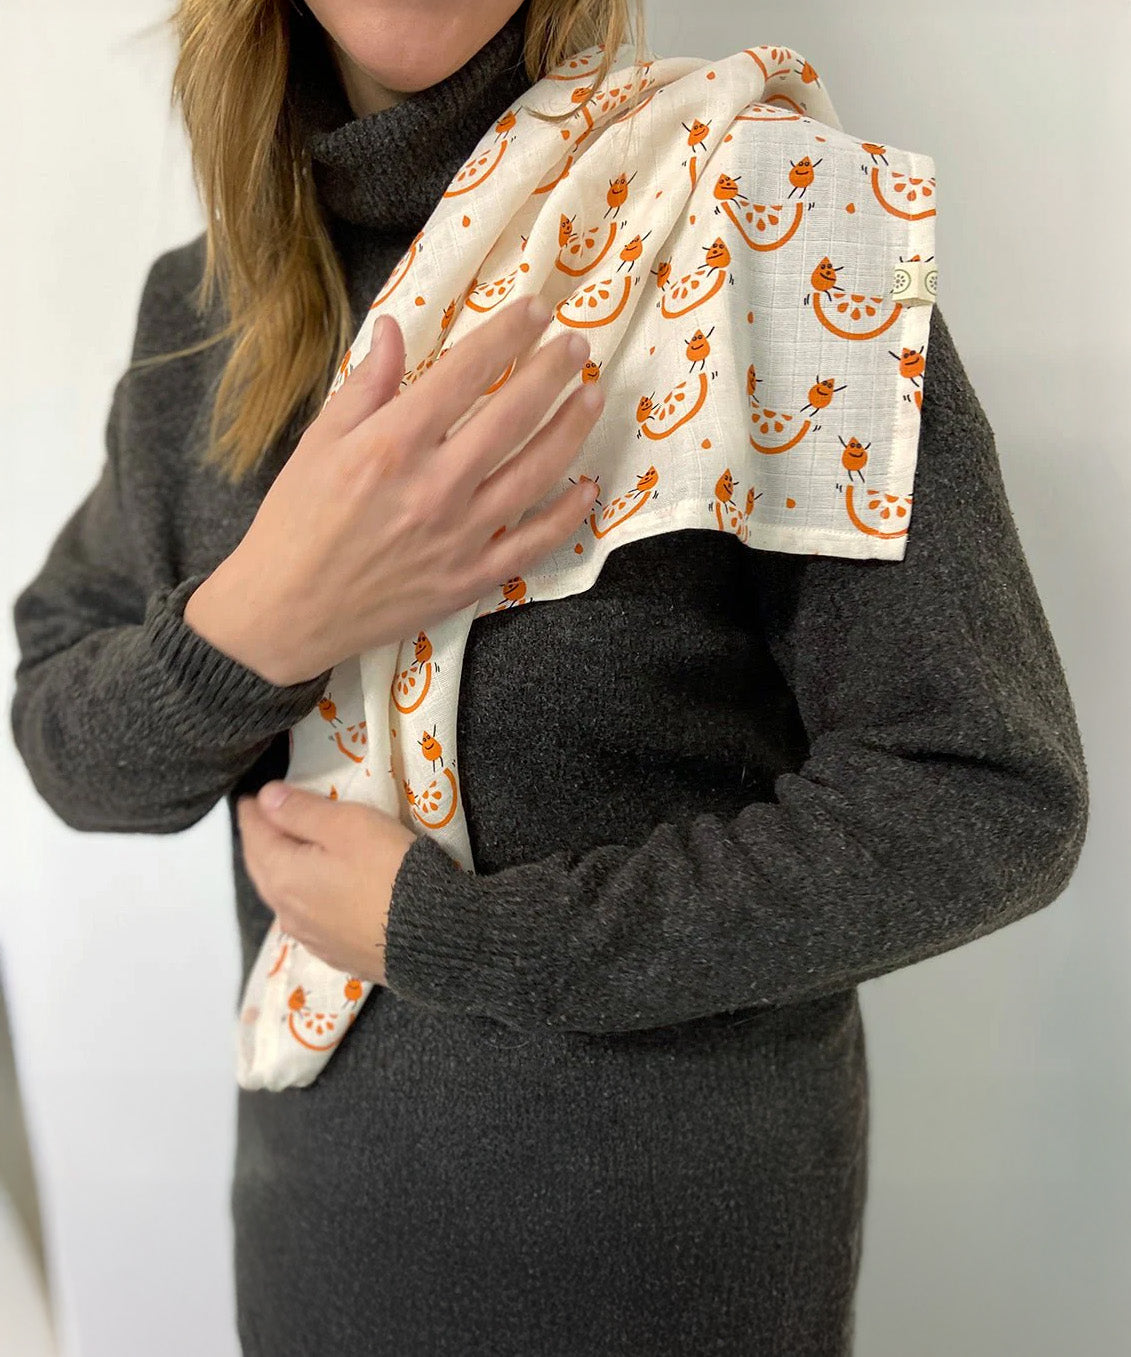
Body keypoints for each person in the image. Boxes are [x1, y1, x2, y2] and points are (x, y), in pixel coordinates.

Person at [8, 0, 1090, 1353]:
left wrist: (463, 939)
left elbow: (984, 794)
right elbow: (66, 739)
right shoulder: (204, 307)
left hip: (678, 1291)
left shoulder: (757, 214)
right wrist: (265, 615)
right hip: (322, 1273)